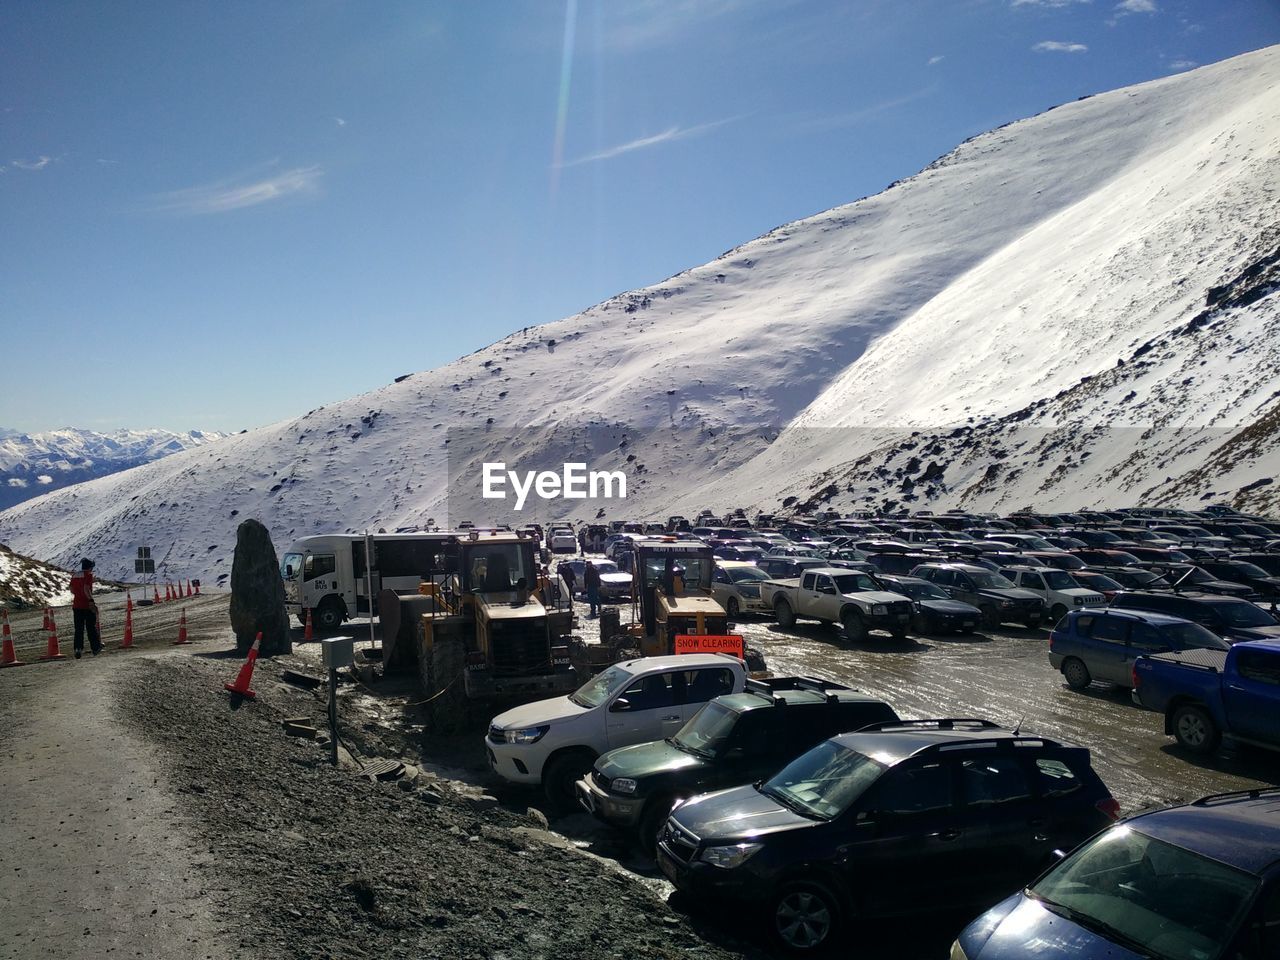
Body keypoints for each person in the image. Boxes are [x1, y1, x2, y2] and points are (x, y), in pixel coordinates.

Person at [70, 557, 101, 658]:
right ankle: (95, 647)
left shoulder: (74, 575)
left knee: (78, 628)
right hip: (87, 605)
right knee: (90, 627)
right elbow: (86, 588)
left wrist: (78, 595)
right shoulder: (88, 575)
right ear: (89, 567)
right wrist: (91, 600)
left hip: (76, 605)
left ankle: (78, 648)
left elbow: (71, 589)